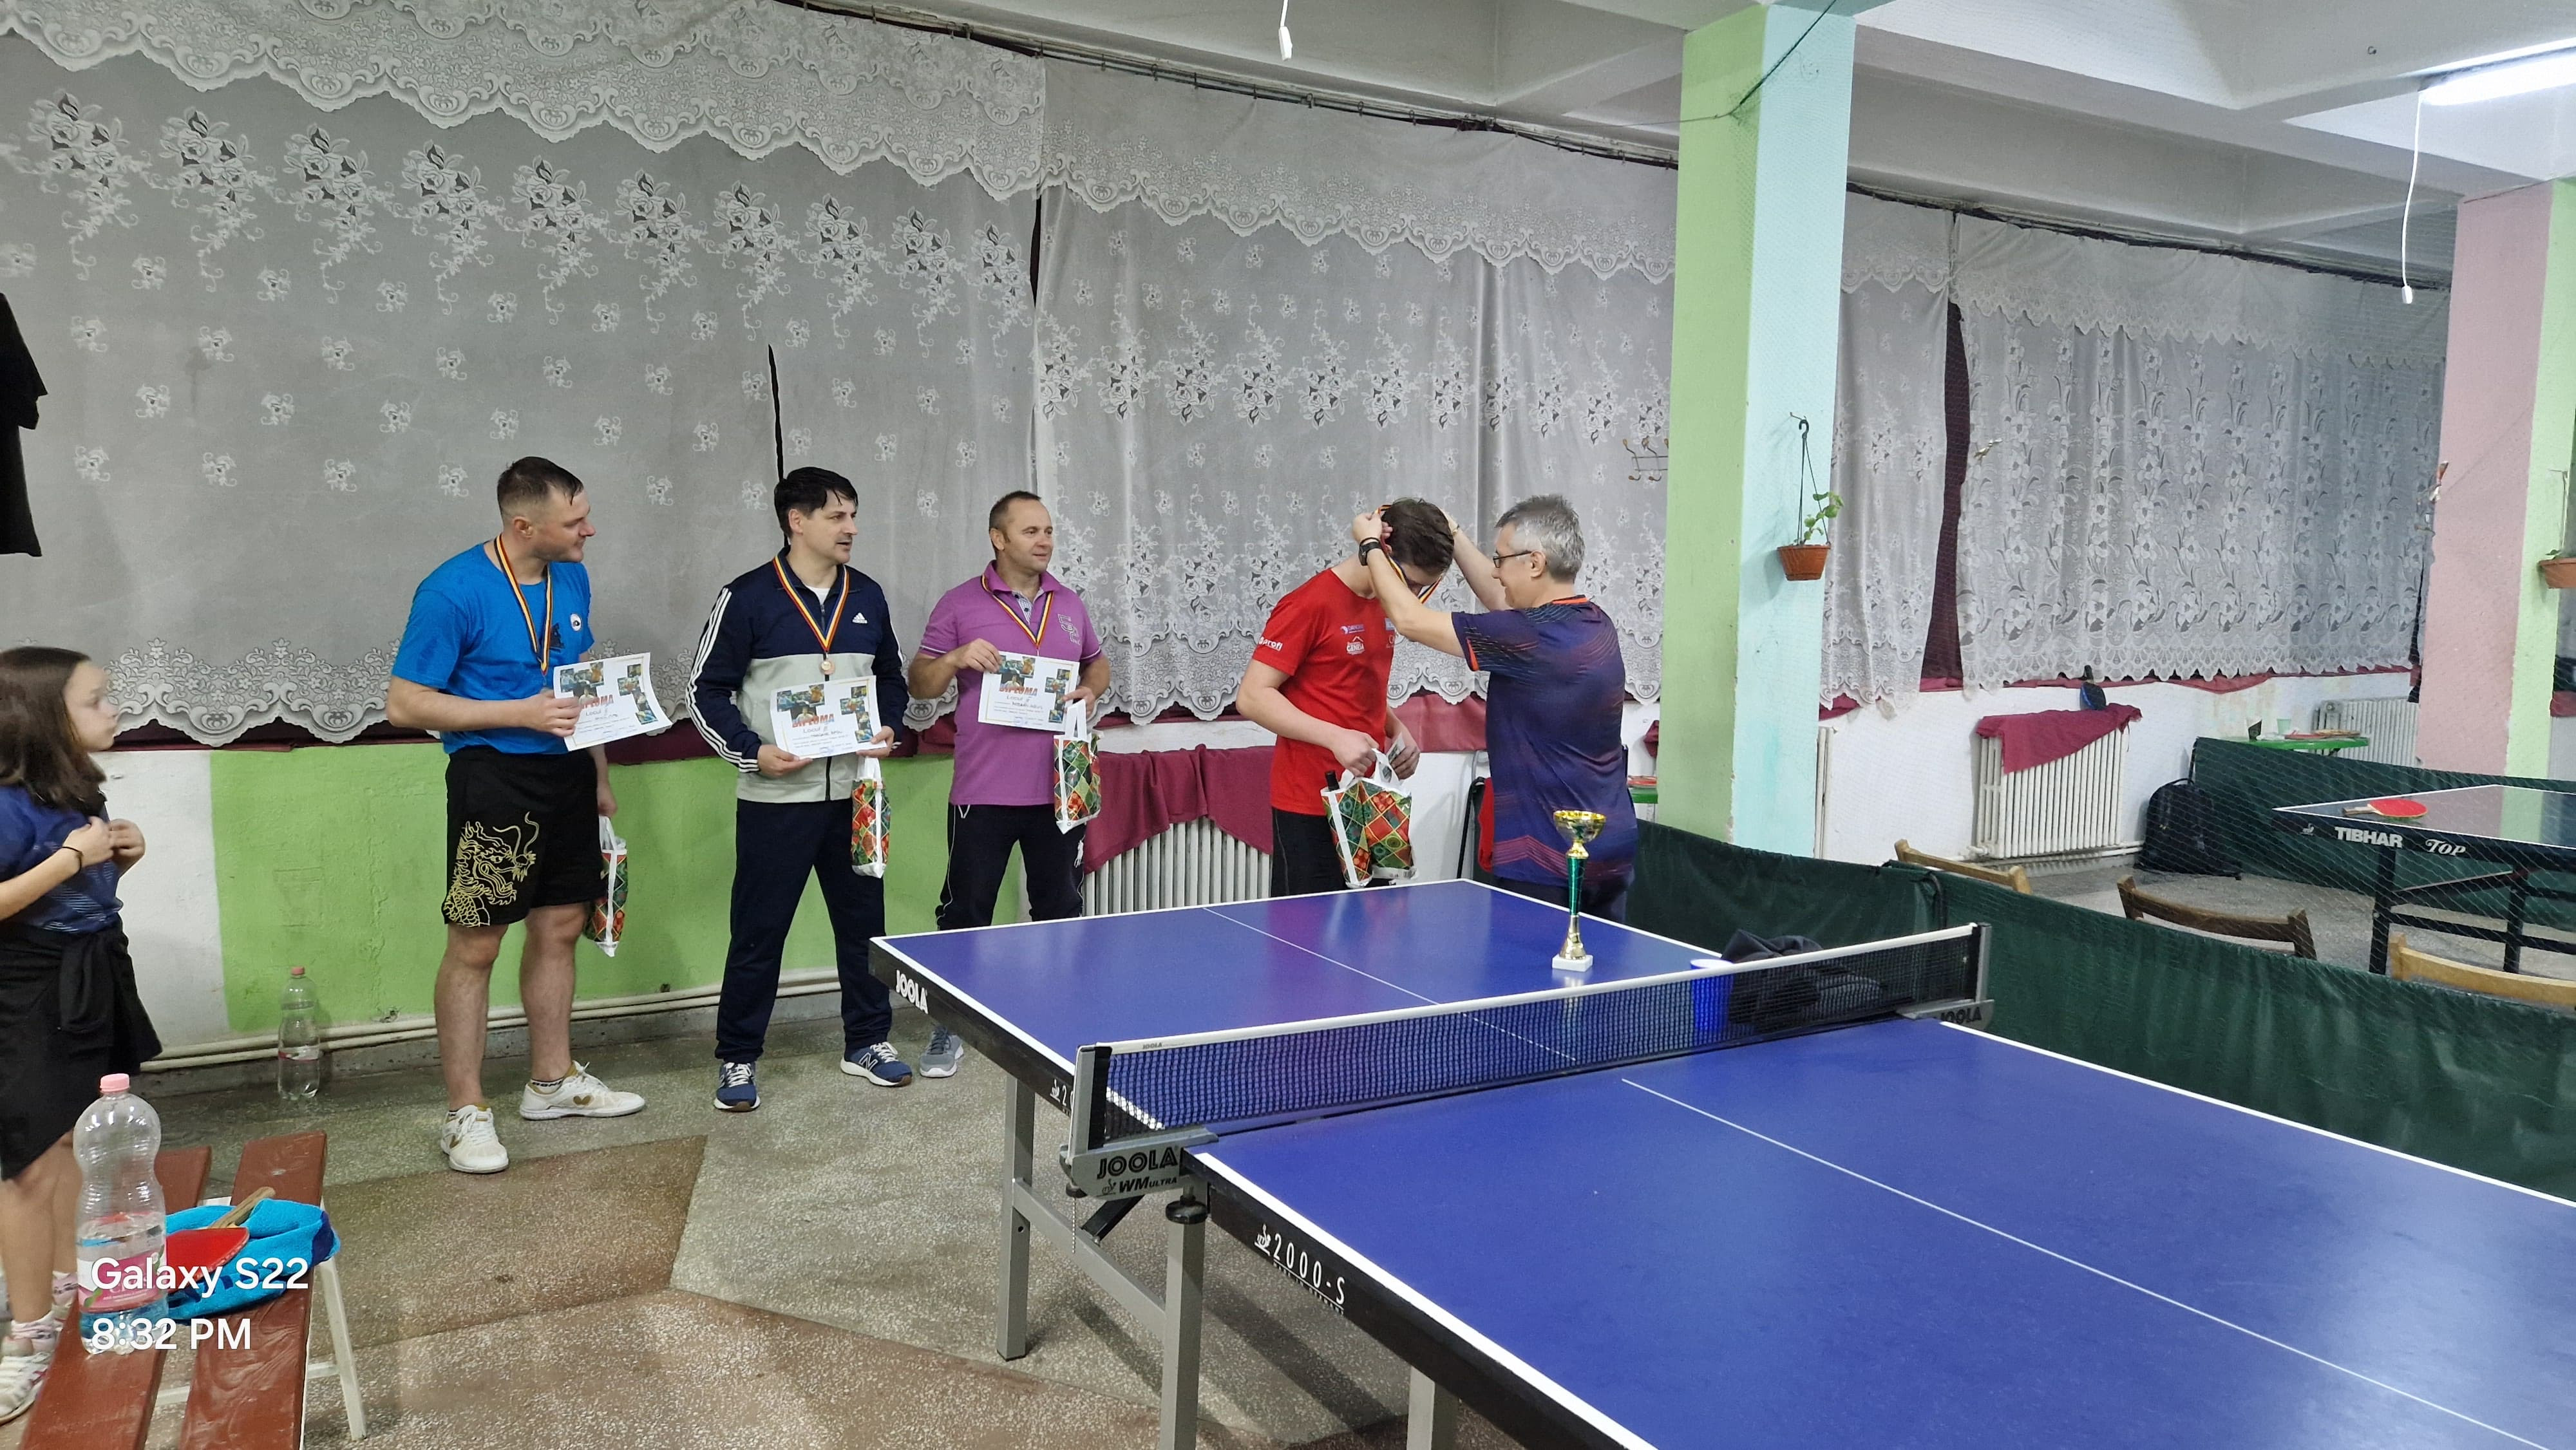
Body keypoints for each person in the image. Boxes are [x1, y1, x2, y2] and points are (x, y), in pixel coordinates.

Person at [387, 457, 644, 1174]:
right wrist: (517, 714)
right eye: (575, 521)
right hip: (494, 778)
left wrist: (598, 774)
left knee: (561, 925)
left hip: (568, 773)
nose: (589, 531)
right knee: (477, 943)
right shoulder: (452, 590)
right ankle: (465, 1112)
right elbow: (405, 703)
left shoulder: (572, 576)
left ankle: (552, 1083)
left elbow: (574, 685)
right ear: (524, 525)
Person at [690, 468, 907, 1109]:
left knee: (864, 928)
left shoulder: (867, 594)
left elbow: (891, 679)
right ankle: (737, 1056)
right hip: (776, 801)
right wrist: (752, 752)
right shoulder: (747, 597)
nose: (852, 528)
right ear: (797, 521)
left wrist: (888, 726)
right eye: (838, 516)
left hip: (856, 797)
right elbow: (704, 691)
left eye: (853, 514)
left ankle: (868, 1041)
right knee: (759, 933)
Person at [0, 647, 158, 1422]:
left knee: (71, 1133)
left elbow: (78, 893)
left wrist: (118, 861)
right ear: (42, 718)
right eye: (96, 699)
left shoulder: (74, 787)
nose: (114, 709)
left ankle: (68, 1280)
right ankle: (24, 1338)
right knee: (27, 1164)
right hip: (26, 990)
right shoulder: (4, 804)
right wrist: (71, 858)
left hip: (90, 974)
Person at [1350, 495, 1637, 919]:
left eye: (1501, 560)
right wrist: (1453, 533)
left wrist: (1370, 545)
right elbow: (1503, 601)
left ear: (1535, 563)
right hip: (1610, 846)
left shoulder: (1529, 637)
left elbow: (1410, 620)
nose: (1497, 572)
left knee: (1536, 963)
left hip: (1548, 854)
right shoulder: (1594, 623)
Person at [911, 493, 1108, 1074]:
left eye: (1048, 531)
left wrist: (1091, 690)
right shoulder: (960, 603)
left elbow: (1097, 662)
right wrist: (955, 659)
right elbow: (920, 684)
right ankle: (950, 1025)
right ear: (998, 539)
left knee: (1061, 907)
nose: (1044, 541)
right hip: (983, 792)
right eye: (1030, 531)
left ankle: (1060, 1018)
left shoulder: (1068, 603)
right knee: (965, 913)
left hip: (1059, 792)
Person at [1236, 500, 1448, 896]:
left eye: (1426, 588)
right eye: (1411, 583)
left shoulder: (1386, 606)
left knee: (1370, 926)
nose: (1414, 596)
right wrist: (1335, 737)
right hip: (1311, 803)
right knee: (1307, 929)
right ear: (1381, 552)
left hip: (1371, 798)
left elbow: (1348, 685)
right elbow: (1252, 696)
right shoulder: (1309, 604)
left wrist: (1396, 728)